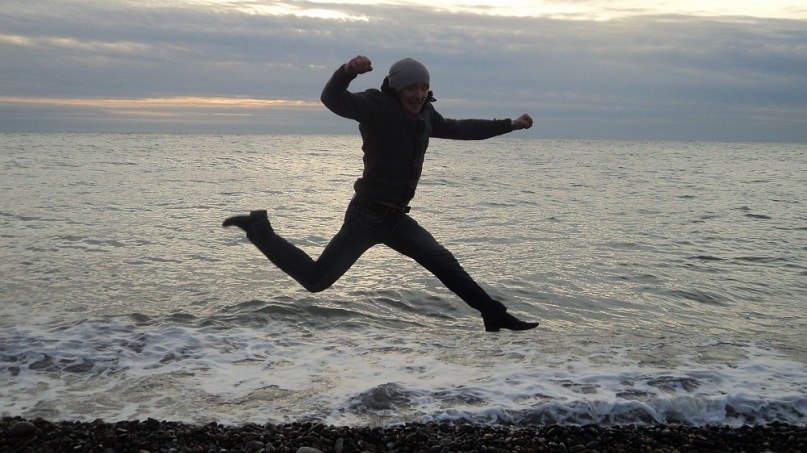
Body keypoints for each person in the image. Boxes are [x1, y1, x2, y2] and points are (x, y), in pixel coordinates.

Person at [223, 55, 539, 332]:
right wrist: (347, 72)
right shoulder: (375, 105)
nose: (419, 95)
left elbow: (462, 128)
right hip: (366, 216)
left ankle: (493, 315)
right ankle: (259, 229)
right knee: (316, 280)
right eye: (412, 88)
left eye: (423, 88)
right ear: (397, 88)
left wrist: (509, 124)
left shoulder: (426, 115)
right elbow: (332, 99)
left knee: (445, 263)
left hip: (397, 219)